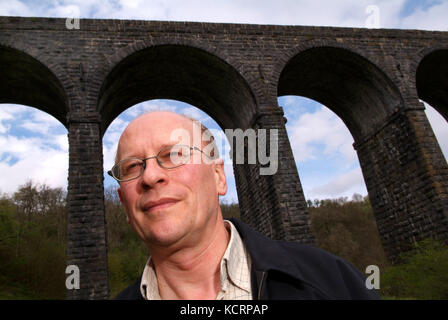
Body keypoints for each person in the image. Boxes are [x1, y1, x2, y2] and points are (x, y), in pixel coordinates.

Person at [109, 110, 380, 300]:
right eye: (132, 166)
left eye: (174, 154)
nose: (151, 176)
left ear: (218, 177)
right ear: (124, 202)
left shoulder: (333, 282)